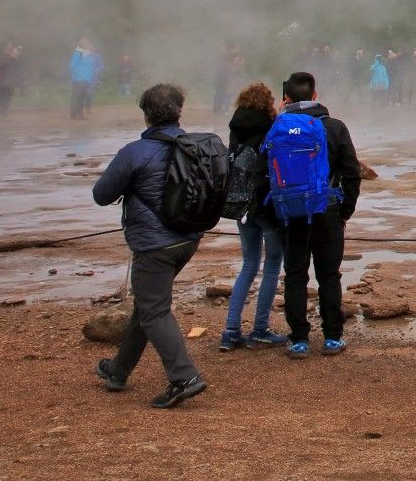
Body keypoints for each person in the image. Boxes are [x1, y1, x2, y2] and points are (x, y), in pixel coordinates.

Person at [89, 83, 208, 408]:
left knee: (154, 311)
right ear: (179, 112)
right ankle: (118, 371)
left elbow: (101, 195)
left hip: (154, 245)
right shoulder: (195, 146)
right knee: (146, 306)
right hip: (188, 239)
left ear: (145, 115)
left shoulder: (134, 153)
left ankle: (184, 376)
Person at [276, 70, 362, 359]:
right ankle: (332, 338)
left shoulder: (278, 128)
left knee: (296, 274)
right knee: (328, 275)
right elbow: (352, 172)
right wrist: (345, 210)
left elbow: (266, 173)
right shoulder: (334, 127)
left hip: (291, 212)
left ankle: (299, 339)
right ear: (315, 95)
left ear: (286, 98)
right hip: (328, 209)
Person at [221, 82, 286, 352]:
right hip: (267, 206)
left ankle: (230, 331)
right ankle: (259, 329)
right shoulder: (272, 126)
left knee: (248, 265)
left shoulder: (235, 127)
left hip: (242, 205)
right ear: (268, 103)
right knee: (272, 265)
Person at [68, 41, 102, 120]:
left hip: (86, 80)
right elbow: (72, 66)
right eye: (88, 44)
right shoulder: (78, 54)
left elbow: (90, 68)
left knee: (82, 98)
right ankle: (74, 114)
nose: (90, 45)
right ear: (83, 45)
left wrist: (89, 77)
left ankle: (80, 114)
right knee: (76, 97)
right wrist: (82, 75)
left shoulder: (89, 55)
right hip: (78, 80)